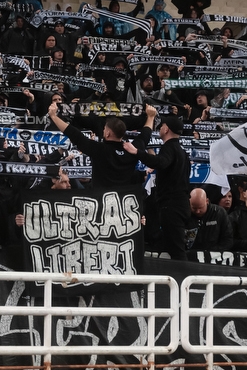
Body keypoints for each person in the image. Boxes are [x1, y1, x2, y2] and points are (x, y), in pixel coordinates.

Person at [122, 108, 191, 259]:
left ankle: (185, 281)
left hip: (172, 205)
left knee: (177, 250)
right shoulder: (182, 151)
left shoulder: (169, 147)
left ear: (166, 129)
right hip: (181, 204)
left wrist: (137, 152)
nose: (160, 129)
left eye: (161, 126)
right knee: (173, 246)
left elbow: (161, 162)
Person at [46, 101, 141, 188]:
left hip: (102, 199)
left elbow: (75, 135)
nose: (103, 130)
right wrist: (151, 117)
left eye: (104, 129)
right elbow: (145, 136)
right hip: (125, 200)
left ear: (107, 133)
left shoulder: (99, 149)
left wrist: (54, 116)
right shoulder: (133, 150)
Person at [186, 188, 232, 253]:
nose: (197, 211)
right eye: (194, 208)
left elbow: (227, 239)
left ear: (207, 201)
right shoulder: (185, 214)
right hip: (190, 255)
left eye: (200, 207)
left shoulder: (219, 213)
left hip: (214, 256)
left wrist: (212, 252)